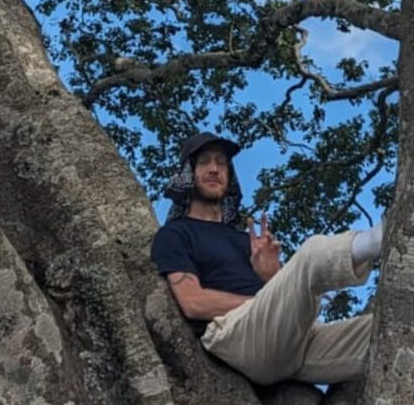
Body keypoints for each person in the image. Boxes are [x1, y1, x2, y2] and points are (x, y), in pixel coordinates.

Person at [151, 131, 383, 386]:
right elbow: (193, 302)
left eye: (221, 163)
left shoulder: (248, 241)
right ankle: (380, 239)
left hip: (291, 344)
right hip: (236, 337)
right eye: (205, 161)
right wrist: (266, 298)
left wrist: (271, 276)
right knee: (312, 251)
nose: (214, 169)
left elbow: (286, 296)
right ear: (188, 174)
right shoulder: (175, 233)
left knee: (387, 330)